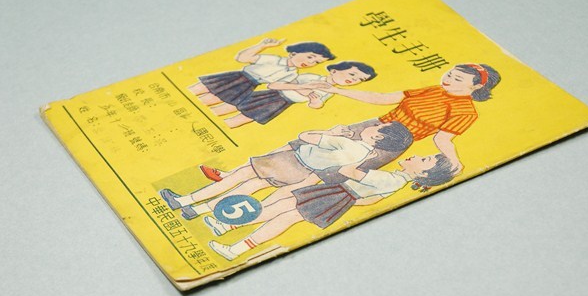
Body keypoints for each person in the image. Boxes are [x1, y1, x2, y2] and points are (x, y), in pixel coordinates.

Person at [205, 151, 456, 260]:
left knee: (283, 213)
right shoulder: (396, 180)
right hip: (338, 197)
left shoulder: (392, 179)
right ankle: (228, 229)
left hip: (337, 193)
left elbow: (351, 172)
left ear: (423, 174)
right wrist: (349, 201)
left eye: (424, 160)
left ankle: (233, 243)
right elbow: (373, 199)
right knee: (283, 209)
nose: (416, 156)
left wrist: (364, 159)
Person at [159, 121, 413, 219]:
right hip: (299, 173)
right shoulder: (365, 154)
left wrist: (331, 132)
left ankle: (184, 201)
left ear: (378, 137)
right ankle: (198, 210)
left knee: (238, 178)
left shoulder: (348, 143)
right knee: (249, 188)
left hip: (290, 161)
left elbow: (305, 135)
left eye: (377, 128)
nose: (369, 127)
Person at [299, 63, 501, 175]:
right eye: (449, 74)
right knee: (309, 144)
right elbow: (382, 98)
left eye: (457, 79)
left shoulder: (466, 111)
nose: (447, 80)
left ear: (477, 86)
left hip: (390, 143)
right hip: (374, 124)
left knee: (334, 171)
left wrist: (454, 160)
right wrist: (336, 90)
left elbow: (442, 139)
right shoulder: (433, 90)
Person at [217, 61, 377, 128]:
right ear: (334, 70)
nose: (353, 80)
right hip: (270, 95)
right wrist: (303, 87)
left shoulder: (330, 91)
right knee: (229, 108)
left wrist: (315, 101)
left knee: (241, 120)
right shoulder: (311, 77)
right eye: (352, 74)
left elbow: (316, 105)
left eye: (359, 79)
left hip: (281, 104)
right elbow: (274, 85)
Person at [188, 38, 335, 108]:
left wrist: (305, 89)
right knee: (194, 92)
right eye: (310, 57)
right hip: (236, 77)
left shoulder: (292, 74)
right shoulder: (274, 59)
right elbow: (242, 58)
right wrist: (262, 46)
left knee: (207, 103)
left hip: (248, 87)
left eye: (316, 62)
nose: (310, 63)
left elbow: (274, 85)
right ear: (294, 53)